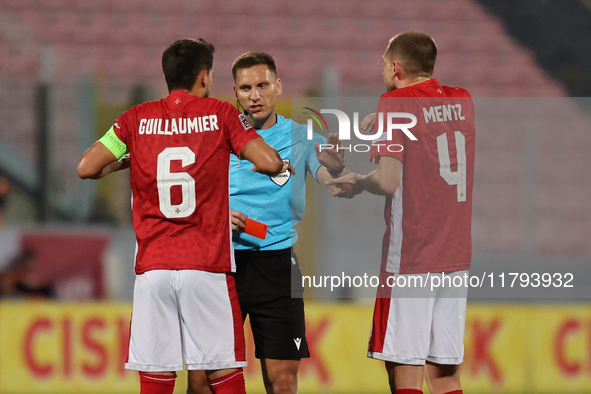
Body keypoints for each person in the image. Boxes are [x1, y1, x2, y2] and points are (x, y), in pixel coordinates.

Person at [77, 39, 292, 394]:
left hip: (153, 269)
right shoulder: (221, 115)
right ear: (205, 77)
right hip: (205, 265)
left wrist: (128, 160)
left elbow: (87, 168)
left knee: (156, 377)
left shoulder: (134, 119)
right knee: (223, 375)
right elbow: (269, 162)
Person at [187, 51, 346, 394]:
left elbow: (330, 178)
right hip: (219, 264)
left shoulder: (302, 138)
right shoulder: (213, 137)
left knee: (283, 381)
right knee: (201, 381)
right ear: (235, 92)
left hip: (276, 266)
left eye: (262, 85)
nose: (255, 95)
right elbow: (185, 196)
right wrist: (213, 217)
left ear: (278, 86)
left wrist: (334, 169)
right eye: (246, 88)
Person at [327, 31, 475, 394]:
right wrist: (385, 116)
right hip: (455, 258)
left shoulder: (395, 104)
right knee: (445, 378)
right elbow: (429, 121)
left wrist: (359, 182)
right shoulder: (463, 101)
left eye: (382, 63)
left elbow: (389, 181)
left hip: (412, 258)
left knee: (405, 375)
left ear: (396, 68)